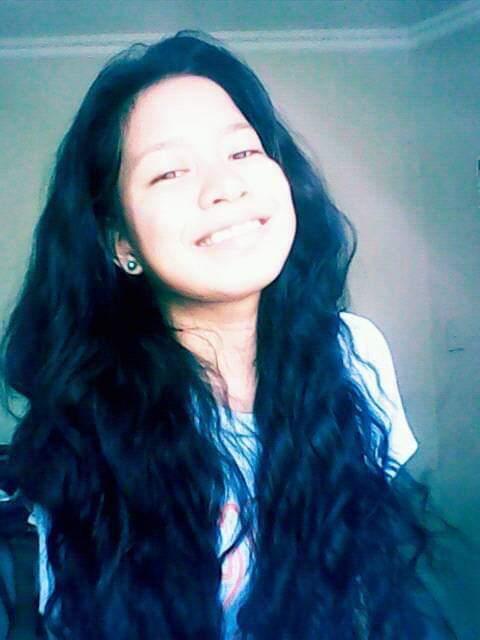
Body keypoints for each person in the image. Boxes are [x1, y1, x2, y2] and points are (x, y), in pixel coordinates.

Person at [1, 30, 451, 640]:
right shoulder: (80, 426)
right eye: (169, 172)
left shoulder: (355, 353)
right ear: (120, 241)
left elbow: (373, 580)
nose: (225, 187)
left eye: (242, 152)